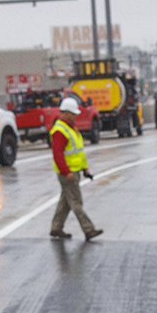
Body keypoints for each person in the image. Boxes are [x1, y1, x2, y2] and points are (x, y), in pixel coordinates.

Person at [46, 97, 99, 241]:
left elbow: (78, 152)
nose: (76, 115)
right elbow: (58, 154)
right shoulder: (60, 130)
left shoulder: (70, 128)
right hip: (68, 173)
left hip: (73, 171)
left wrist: (85, 169)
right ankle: (88, 229)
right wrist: (66, 172)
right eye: (74, 113)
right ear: (67, 113)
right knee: (76, 201)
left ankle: (56, 228)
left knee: (65, 202)